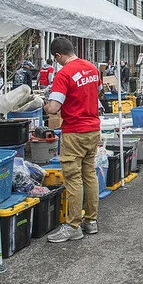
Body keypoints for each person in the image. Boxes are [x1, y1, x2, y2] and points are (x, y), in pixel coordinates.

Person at [43, 37, 101, 243]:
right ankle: (91, 221)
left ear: (58, 55)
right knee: (89, 174)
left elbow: (54, 107)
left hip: (74, 130)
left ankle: (73, 225)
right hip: (93, 128)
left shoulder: (64, 73)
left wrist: (44, 104)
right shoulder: (92, 68)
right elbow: (97, 92)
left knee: (73, 177)